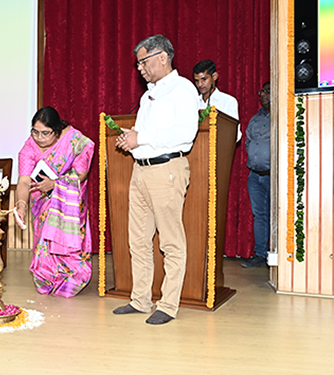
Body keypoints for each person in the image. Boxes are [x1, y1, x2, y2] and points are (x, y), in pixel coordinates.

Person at [113, 35, 199, 324]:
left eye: (144, 62)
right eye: (138, 63)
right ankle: (140, 300)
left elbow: (185, 134)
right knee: (138, 240)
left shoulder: (183, 89)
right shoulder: (147, 95)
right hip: (140, 171)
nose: (140, 68)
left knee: (170, 241)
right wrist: (131, 139)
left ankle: (169, 304)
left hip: (167, 170)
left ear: (163, 57)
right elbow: (143, 134)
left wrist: (143, 137)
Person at [15, 106, 94, 298]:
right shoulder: (28, 148)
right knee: (45, 238)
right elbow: (25, 180)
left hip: (70, 201)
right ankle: (48, 278)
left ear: (57, 132)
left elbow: (81, 174)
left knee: (68, 241)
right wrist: (21, 204)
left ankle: (71, 280)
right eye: (35, 132)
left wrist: (56, 184)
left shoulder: (74, 140)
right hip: (43, 201)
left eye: (45, 133)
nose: (39, 138)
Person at [242, 81, 271, 268]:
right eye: (261, 92)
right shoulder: (255, 118)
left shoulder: (282, 115)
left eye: (267, 91)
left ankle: (277, 255)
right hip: (254, 176)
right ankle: (260, 253)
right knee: (259, 214)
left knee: (276, 214)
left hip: (274, 176)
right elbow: (247, 142)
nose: (262, 95)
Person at [192, 59, 241, 140]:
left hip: (219, 150)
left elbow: (235, 135)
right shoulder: (193, 102)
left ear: (214, 76)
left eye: (204, 79)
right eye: (197, 81)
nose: (200, 84)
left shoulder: (228, 101)